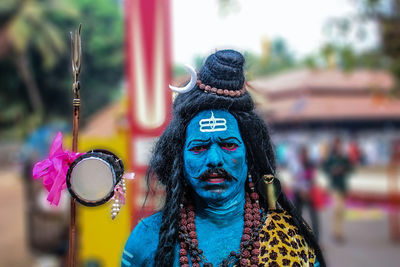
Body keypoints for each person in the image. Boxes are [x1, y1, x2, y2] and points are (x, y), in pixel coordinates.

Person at [121, 50, 325, 266]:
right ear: (178, 159)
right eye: (199, 148)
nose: (215, 159)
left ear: (250, 155)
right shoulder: (146, 241)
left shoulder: (291, 239)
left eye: (229, 145)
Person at [323, 137, 352, 243]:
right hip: (335, 186)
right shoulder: (331, 158)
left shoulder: (344, 158)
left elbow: (350, 168)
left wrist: (343, 169)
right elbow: (325, 169)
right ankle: (337, 232)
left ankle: (338, 231)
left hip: (342, 186)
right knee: (337, 209)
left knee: (341, 211)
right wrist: (332, 170)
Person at [292, 146, 319, 241]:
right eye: (303, 154)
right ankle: (296, 237)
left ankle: (317, 239)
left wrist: (308, 191)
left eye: (305, 154)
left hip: (309, 193)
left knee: (314, 216)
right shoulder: (296, 165)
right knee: (296, 215)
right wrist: (301, 191)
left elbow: (313, 179)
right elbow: (295, 180)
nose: (304, 156)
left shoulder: (310, 165)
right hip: (299, 192)